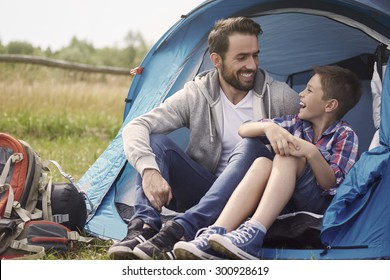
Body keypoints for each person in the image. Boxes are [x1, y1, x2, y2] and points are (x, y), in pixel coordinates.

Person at [108, 17, 300, 260]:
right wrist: (149, 171)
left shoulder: (282, 98)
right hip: (204, 190)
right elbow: (136, 126)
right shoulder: (197, 94)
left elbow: (307, 154)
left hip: (253, 199)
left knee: (252, 144)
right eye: (241, 57)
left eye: (255, 55)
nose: (251, 65)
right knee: (156, 142)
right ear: (216, 60)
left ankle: (181, 229)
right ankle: (143, 229)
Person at [174, 65, 362, 260]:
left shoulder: (345, 135)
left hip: (319, 206)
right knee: (263, 163)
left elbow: (332, 183)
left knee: (288, 155)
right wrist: (269, 128)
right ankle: (216, 232)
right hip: (287, 202)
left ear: (330, 105)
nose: (301, 94)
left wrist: (311, 153)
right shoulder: (296, 123)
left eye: (309, 90)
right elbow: (244, 129)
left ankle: (254, 233)